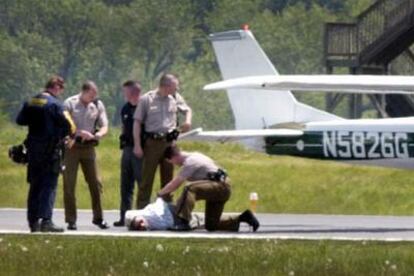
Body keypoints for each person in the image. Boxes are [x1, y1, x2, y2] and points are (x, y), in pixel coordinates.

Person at [16, 76, 76, 232]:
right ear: (56, 87)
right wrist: (68, 136)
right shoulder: (56, 104)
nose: (61, 92)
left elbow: (20, 120)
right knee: (49, 185)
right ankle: (46, 221)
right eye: (61, 89)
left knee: (35, 185)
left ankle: (33, 222)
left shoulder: (30, 102)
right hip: (51, 151)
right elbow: (71, 126)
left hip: (33, 150)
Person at [157, 145, 260, 232]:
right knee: (211, 225)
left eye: (172, 162)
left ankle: (183, 221)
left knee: (189, 189)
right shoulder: (196, 155)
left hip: (220, 186)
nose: (174, 164)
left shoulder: (190, 161)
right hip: (221, 188)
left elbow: (176, 183)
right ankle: (243, 217)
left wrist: (161, 193)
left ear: (174, 157)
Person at [133, 74, 192, 209]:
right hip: (153, 143)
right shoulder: (147, 99)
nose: (176, 89)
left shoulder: (175, 97)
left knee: (168, 178)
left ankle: (166, 209)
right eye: (174, 86)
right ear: (165, 86)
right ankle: (142, 210)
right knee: (147, 179)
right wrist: (137, 145)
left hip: (169, 143)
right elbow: (137, 122)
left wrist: (188, 121)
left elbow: (187, 109)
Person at [63, 81, 109, 230]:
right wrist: (78, 133)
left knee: (95, 182)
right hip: (72, 147)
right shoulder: (70, 103)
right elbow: (63, 125)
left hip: (89, 147)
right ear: (83, 91)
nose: (94, 97)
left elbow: (104, 125)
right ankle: (71, 220)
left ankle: (98, 218)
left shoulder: (97, 104)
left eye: (95, 95)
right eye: (91, 94)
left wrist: (97, 135)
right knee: (69, 184)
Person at [113, 80, 143, 227]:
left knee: (142, 183)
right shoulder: (125, 108)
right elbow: (124, 127)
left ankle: (142, 216)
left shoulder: (144, 106)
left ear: (133, 92)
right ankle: (124, 216)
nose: (124, 94)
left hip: (141, 150)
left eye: (125, 91)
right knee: (125, 184)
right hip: (127, 149)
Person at [125, 197, 203, 231]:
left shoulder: (150, 212)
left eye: (140, 223)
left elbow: (160, 202)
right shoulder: (146, 224)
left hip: (172, 214)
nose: (142, 226)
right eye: (138, 228)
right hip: (172, 222)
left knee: (194, 220)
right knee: (196, 222)